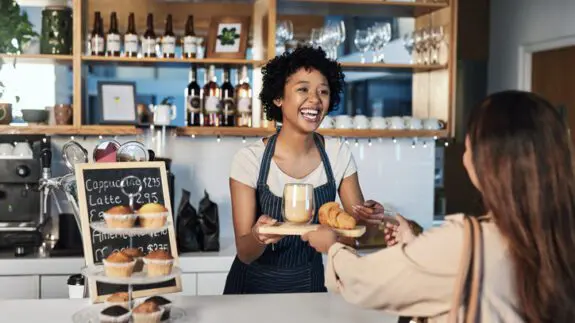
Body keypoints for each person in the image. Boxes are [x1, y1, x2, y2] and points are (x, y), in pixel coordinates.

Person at [304, 90, 575, 322]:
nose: (465, 153)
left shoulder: (465, 242)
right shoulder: (559, 235)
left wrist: (332, 247)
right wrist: (415, 244)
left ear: (490, 161)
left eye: (471, 144)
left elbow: (364, 281)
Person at [223, 46, 382, 294]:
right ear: (278, 97)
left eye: (323, 91)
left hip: (309, 286)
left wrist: (369, 218)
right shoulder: (250, 159)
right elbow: (245, 252)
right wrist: (258, 237)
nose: (315, 100)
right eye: (303, 89)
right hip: (250, 291)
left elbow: (353, 236)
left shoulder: (337, 154)